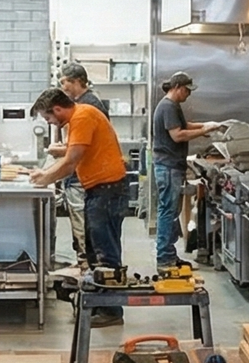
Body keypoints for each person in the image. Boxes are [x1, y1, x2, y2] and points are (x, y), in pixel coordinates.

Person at [31, 87, 131, 326]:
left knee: (105, 252)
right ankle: (101, 304)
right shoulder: (80, 116)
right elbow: (74, 153)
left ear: (57, 109)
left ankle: (111, 311)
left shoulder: (82, 117)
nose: (50, 122)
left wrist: (44, 179)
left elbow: (71, 161)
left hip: (107, 190)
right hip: (100, 190)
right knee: (95, 250)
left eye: (48, 117)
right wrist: (45, 174)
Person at [148, 72, 217, 269]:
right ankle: (164, 257)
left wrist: (206, 126)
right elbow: (178, 135)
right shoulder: (168, 106)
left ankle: (169, 254)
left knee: (171, 212)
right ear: (177, 87)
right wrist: (203, 130)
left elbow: (184, 126)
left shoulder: (172, 106)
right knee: (167, 212)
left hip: (170, 166)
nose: (188, 94)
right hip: (168, 167)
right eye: (187, 90)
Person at [51, 64, 108, 262]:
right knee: (83, 221)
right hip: (81, 173)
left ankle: (86, 263)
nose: (62, 87)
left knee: (82, 221)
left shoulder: (87, 107)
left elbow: (83, 148)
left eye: (64, 82)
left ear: (76, 81)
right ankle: (86, 261)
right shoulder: (82, 104)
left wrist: (58, 151)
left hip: (82, 175)